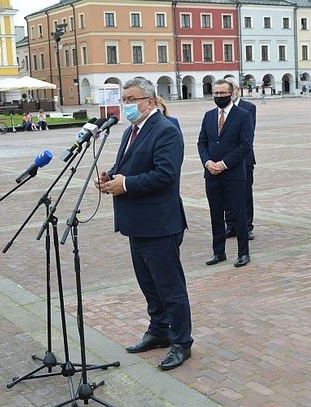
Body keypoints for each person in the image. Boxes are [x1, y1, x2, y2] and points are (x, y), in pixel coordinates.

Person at [94, 77, 193, 370]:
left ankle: (181, 342)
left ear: (149, 101)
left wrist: (126, 184)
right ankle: (159, 331)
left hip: (160, 222)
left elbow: (165, 175)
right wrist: (111, 176)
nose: (127, 105)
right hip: (136, 222)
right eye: (124, 100)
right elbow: (128, 166)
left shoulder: (166, 130)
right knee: (149, 284)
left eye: (132, 99)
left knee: (169, 287)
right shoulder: (132, 131)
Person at [197, 79, 253, 268]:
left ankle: (243, 253)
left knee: (239, 214)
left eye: (223, 93)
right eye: (216, 93)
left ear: (231, 94)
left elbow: (245, 145)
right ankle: (218, 252)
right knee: (215, 214)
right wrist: (207, 162)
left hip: (234, 173)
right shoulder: (208, 116)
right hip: (211, 173)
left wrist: (224, 164)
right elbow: (202, 143)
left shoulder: (243, 115)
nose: (219, 96)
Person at [223, 76, 257, 241]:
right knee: (227, 194)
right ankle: (231, 226)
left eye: (232, 89)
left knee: (245, 194)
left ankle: (247, 226)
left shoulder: (249, 108)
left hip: (244, 158)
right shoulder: (219, 109)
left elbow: (247, 136)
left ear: (237, 90)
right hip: (224, 160)